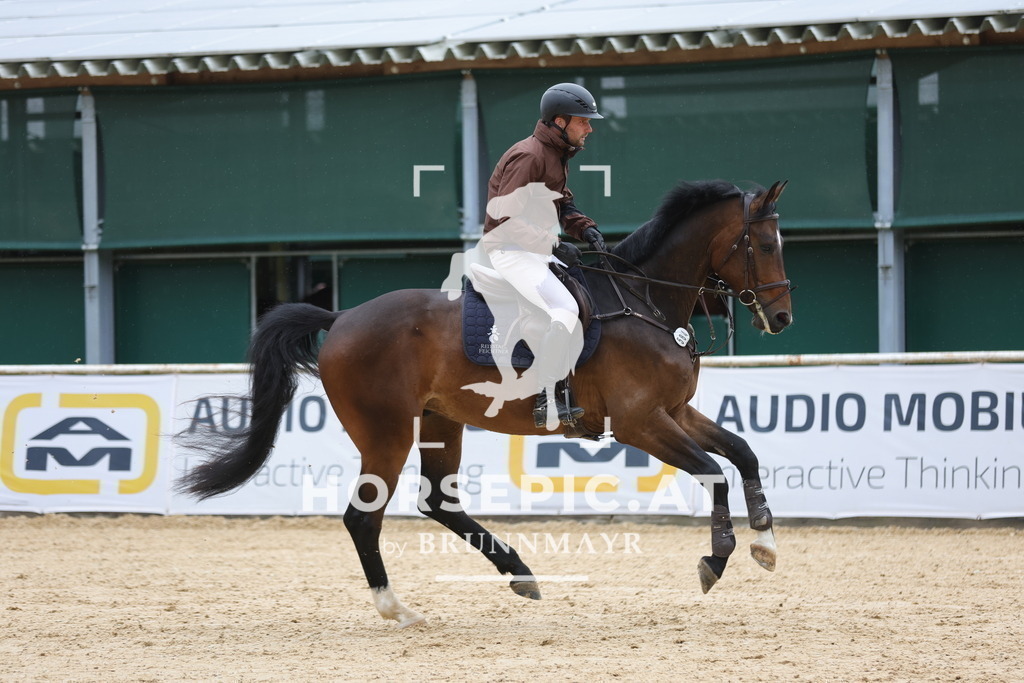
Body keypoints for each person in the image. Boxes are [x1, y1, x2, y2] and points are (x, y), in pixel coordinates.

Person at [480, 82, 608, 429]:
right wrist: (552, 244)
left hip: (532, 250)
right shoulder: (530, 155)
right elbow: (505, 217)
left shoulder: (554, 154)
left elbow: (562, 203)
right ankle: (546, 396)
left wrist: (585, 229)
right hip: (509, 250)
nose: (590, 128)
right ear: (561, 121)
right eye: (584, 121)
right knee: (565, 310)